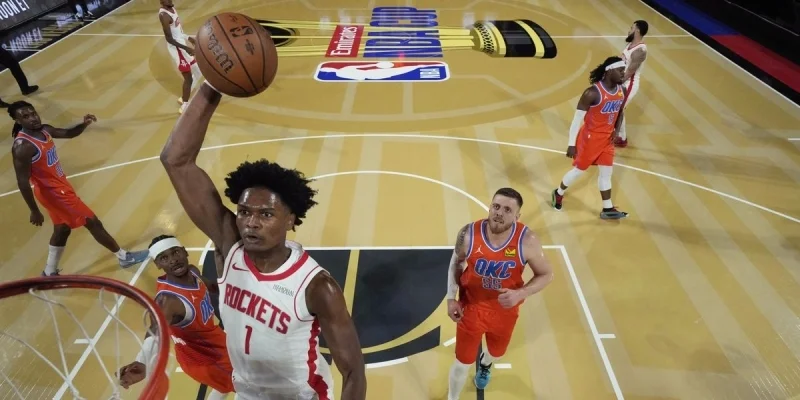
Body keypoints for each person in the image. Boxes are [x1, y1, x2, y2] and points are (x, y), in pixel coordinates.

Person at [159, 83, 366, 400]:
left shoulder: (316, 286)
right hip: (247, 392)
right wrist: (213, 84)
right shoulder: (230, 246)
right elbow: (175, 160)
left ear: (290, 219)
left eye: (266, 214)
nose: (251, 222)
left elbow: (353, 372)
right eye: (244, 212)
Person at [9, 101, 149, 275]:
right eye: (26, 116)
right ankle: (123, 257)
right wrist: (34, 210)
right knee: (92, 221)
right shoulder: (22, 147)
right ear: (17, 120)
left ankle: (49, 272)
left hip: (60, 186)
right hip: (53, 193)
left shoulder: (44, 130)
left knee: (62, 229)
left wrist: (84, 124)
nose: (33, 118)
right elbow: (22, 182)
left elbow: (68, 133)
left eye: (33, 113)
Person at [445, 188, 554, 399]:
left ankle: (485, 364)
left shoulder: (527, 240)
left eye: (507, 210)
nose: (499, 213)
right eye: (496, 206)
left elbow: (547, 274)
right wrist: (451, 297)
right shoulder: (468, 234)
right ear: (490, 207)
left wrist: (520, 293)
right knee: (461, 363)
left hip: (505, 312)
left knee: (496, 353)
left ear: (517, 216)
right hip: (471, 308)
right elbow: (456, 262)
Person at [119, 234, 234, 400]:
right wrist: (142, 361)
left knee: (224, 387)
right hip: (206, 359)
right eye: (164, 258)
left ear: (184, 252)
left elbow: (211, 287)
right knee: (255, 387)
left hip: (214, 341)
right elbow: (155, 330)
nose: (173, 260)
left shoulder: (193, 272)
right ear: (158, 264)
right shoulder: (168, 300)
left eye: (175, 252)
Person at [551, 56, 629, 220]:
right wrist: (571, 144)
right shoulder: (592, 93)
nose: (624, 73)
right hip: (590, 139)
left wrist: (616, 130)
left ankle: (607, 208)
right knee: (578, 171)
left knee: (606, 173)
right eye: (620, 70)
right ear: (609, 71)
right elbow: (577, 120)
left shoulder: (622, 90)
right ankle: (558, 192)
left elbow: (620, 112)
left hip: (607, 139)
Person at [158, 0, 201, 114]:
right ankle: (184, 105)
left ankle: (183, 98)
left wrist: (188, 38)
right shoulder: (164, 16)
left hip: (182, 44)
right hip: (177, 49)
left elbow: (178, 31)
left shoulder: (172, 8)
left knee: (198, 71)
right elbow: (169, 39)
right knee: (188, 78)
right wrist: (185, 48)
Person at [614, 20, 648, 148]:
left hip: (629, 84)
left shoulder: (640, 50)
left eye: (632, 28)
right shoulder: (630, 44)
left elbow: (629, 72)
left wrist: (615, 81)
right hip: (622, 80)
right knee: (618, 108)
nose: (629, 30)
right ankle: (621, 137)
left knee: (618, 108)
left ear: (637, 30)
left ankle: (619, 137)